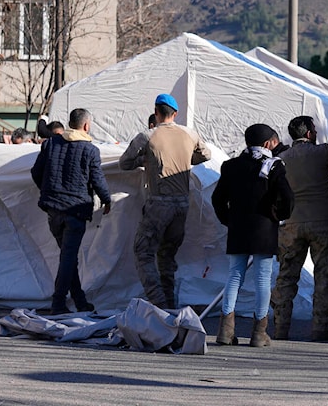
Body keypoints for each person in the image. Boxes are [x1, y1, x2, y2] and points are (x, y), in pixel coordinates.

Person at [119, 93, 212, 309]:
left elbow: (125, 163)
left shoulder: (147, 136)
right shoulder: (190, 134)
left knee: (143, 251)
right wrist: (186, 160)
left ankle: (158, 303)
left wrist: (145, 160)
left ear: (156, 113)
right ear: (175, 114)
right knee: (167, 255)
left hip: (159, 204)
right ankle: (170, 303)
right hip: (182, 205)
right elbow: (206, 155)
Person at [211, 124, 293, 347]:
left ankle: (225, 332)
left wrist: (228, 219)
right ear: (267, 144)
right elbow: (287, 198)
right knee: (262, 279)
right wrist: (278, 216)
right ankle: (259, 332)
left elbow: (217, 198)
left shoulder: (231, 166)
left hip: (238, 228)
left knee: (234, 275)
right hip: (264, 229)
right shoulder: (274, 167)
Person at [30, 108, 112, 314]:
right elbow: (97, 179)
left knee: (68, 256)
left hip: (53, 210)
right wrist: (107, 200)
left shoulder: (50, 144)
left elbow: (36, 172)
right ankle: (57, 304)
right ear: (86, 126)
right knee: (68, 257)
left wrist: (49, 192)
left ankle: (80, 301)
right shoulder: (90, 150)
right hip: (75, 211)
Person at [271, 115, 328, 341]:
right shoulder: (323, 152)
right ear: (311, 134)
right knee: (325, 275)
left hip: (291, 224)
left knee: (286, 276)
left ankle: (281, 327)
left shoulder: (281, 158)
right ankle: (320, 327)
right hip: (322, 222)